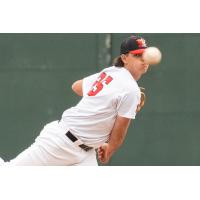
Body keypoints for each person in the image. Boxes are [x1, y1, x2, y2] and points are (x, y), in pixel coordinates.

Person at [0, 35, 150, 166]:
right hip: (61, 143)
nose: (143, 59)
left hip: (85, 154)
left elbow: (77, 86)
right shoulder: (130, 89)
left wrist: (105, 96)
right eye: (137, 55)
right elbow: (119, 131)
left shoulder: (111, 73)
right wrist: (110, 148)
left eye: (145, 55)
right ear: (124, 58)